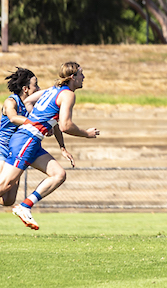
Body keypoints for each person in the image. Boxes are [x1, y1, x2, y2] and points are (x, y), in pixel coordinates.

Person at [0, 62, 99, 230]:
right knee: (5, 185)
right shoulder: (68, 94)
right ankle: (23, 208)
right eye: (81, 74)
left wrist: (61, 145)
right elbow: (65, 125)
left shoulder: (53, 90)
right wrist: (86, 134)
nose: (84, 78)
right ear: (73, 77)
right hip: (26, 139)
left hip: (32, 141)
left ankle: (24, 206)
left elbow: (30, 101)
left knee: (59, 174)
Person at [0, 68, 41, 209]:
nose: (39, 88)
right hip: (2, 149)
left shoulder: (31, 107)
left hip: (16, 151)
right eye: (36, 85)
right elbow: (13, 117)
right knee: (3, 187)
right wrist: (34, 123)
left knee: (8, 200)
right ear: (25, 89)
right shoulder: (11, 102)